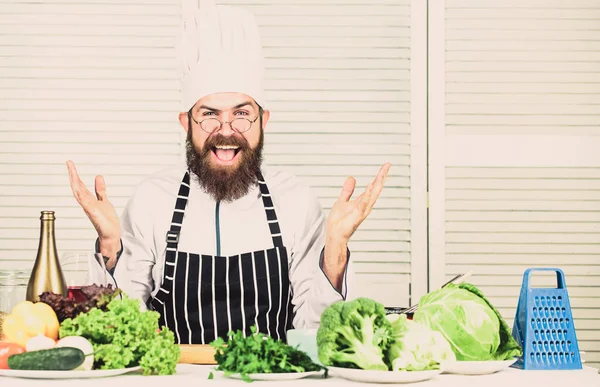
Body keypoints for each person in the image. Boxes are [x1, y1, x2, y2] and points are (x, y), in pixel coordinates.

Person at [66, 3, 390, 345]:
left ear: (263, 121)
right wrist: (109, 246)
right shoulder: (152, 199)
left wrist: (335, 248)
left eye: (242, 114)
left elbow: (316, 329)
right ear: (185, 123)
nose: (226, 130)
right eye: (208, 114)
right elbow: (123, 327)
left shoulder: (295, 200)